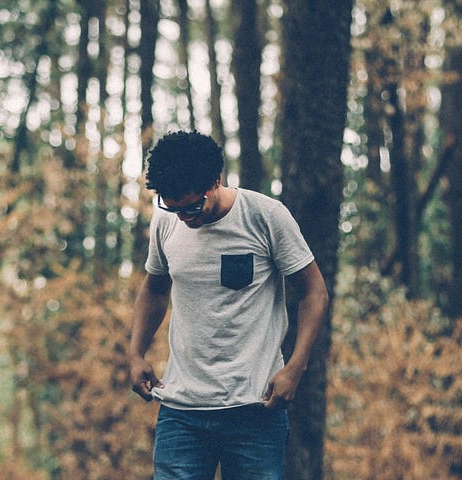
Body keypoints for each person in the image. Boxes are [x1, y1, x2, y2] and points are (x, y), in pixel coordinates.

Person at [127, 131, 329, 479]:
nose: (182, 218)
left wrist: (295, 368)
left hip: (254, 409)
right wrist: (135, 352)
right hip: (181, 411)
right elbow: (155, 289)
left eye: (191, 207)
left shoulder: (265, 216)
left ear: (215, 181)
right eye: (171, 207)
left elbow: (314, 291)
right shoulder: (166, 222)